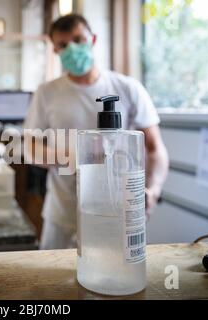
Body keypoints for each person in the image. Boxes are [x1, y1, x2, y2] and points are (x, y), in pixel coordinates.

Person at [24, 14, 169, 250]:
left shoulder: (128, 88)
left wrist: (152, 190)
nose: (73, 48)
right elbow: (30, 149)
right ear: (55, 51)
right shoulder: (47, 93)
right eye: (63, 45)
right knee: (51, 284)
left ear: (93, 39)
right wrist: (76, 158)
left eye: (78, 39)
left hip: (116, 213)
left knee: (112, 279)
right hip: (63, 214)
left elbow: (155, 149)